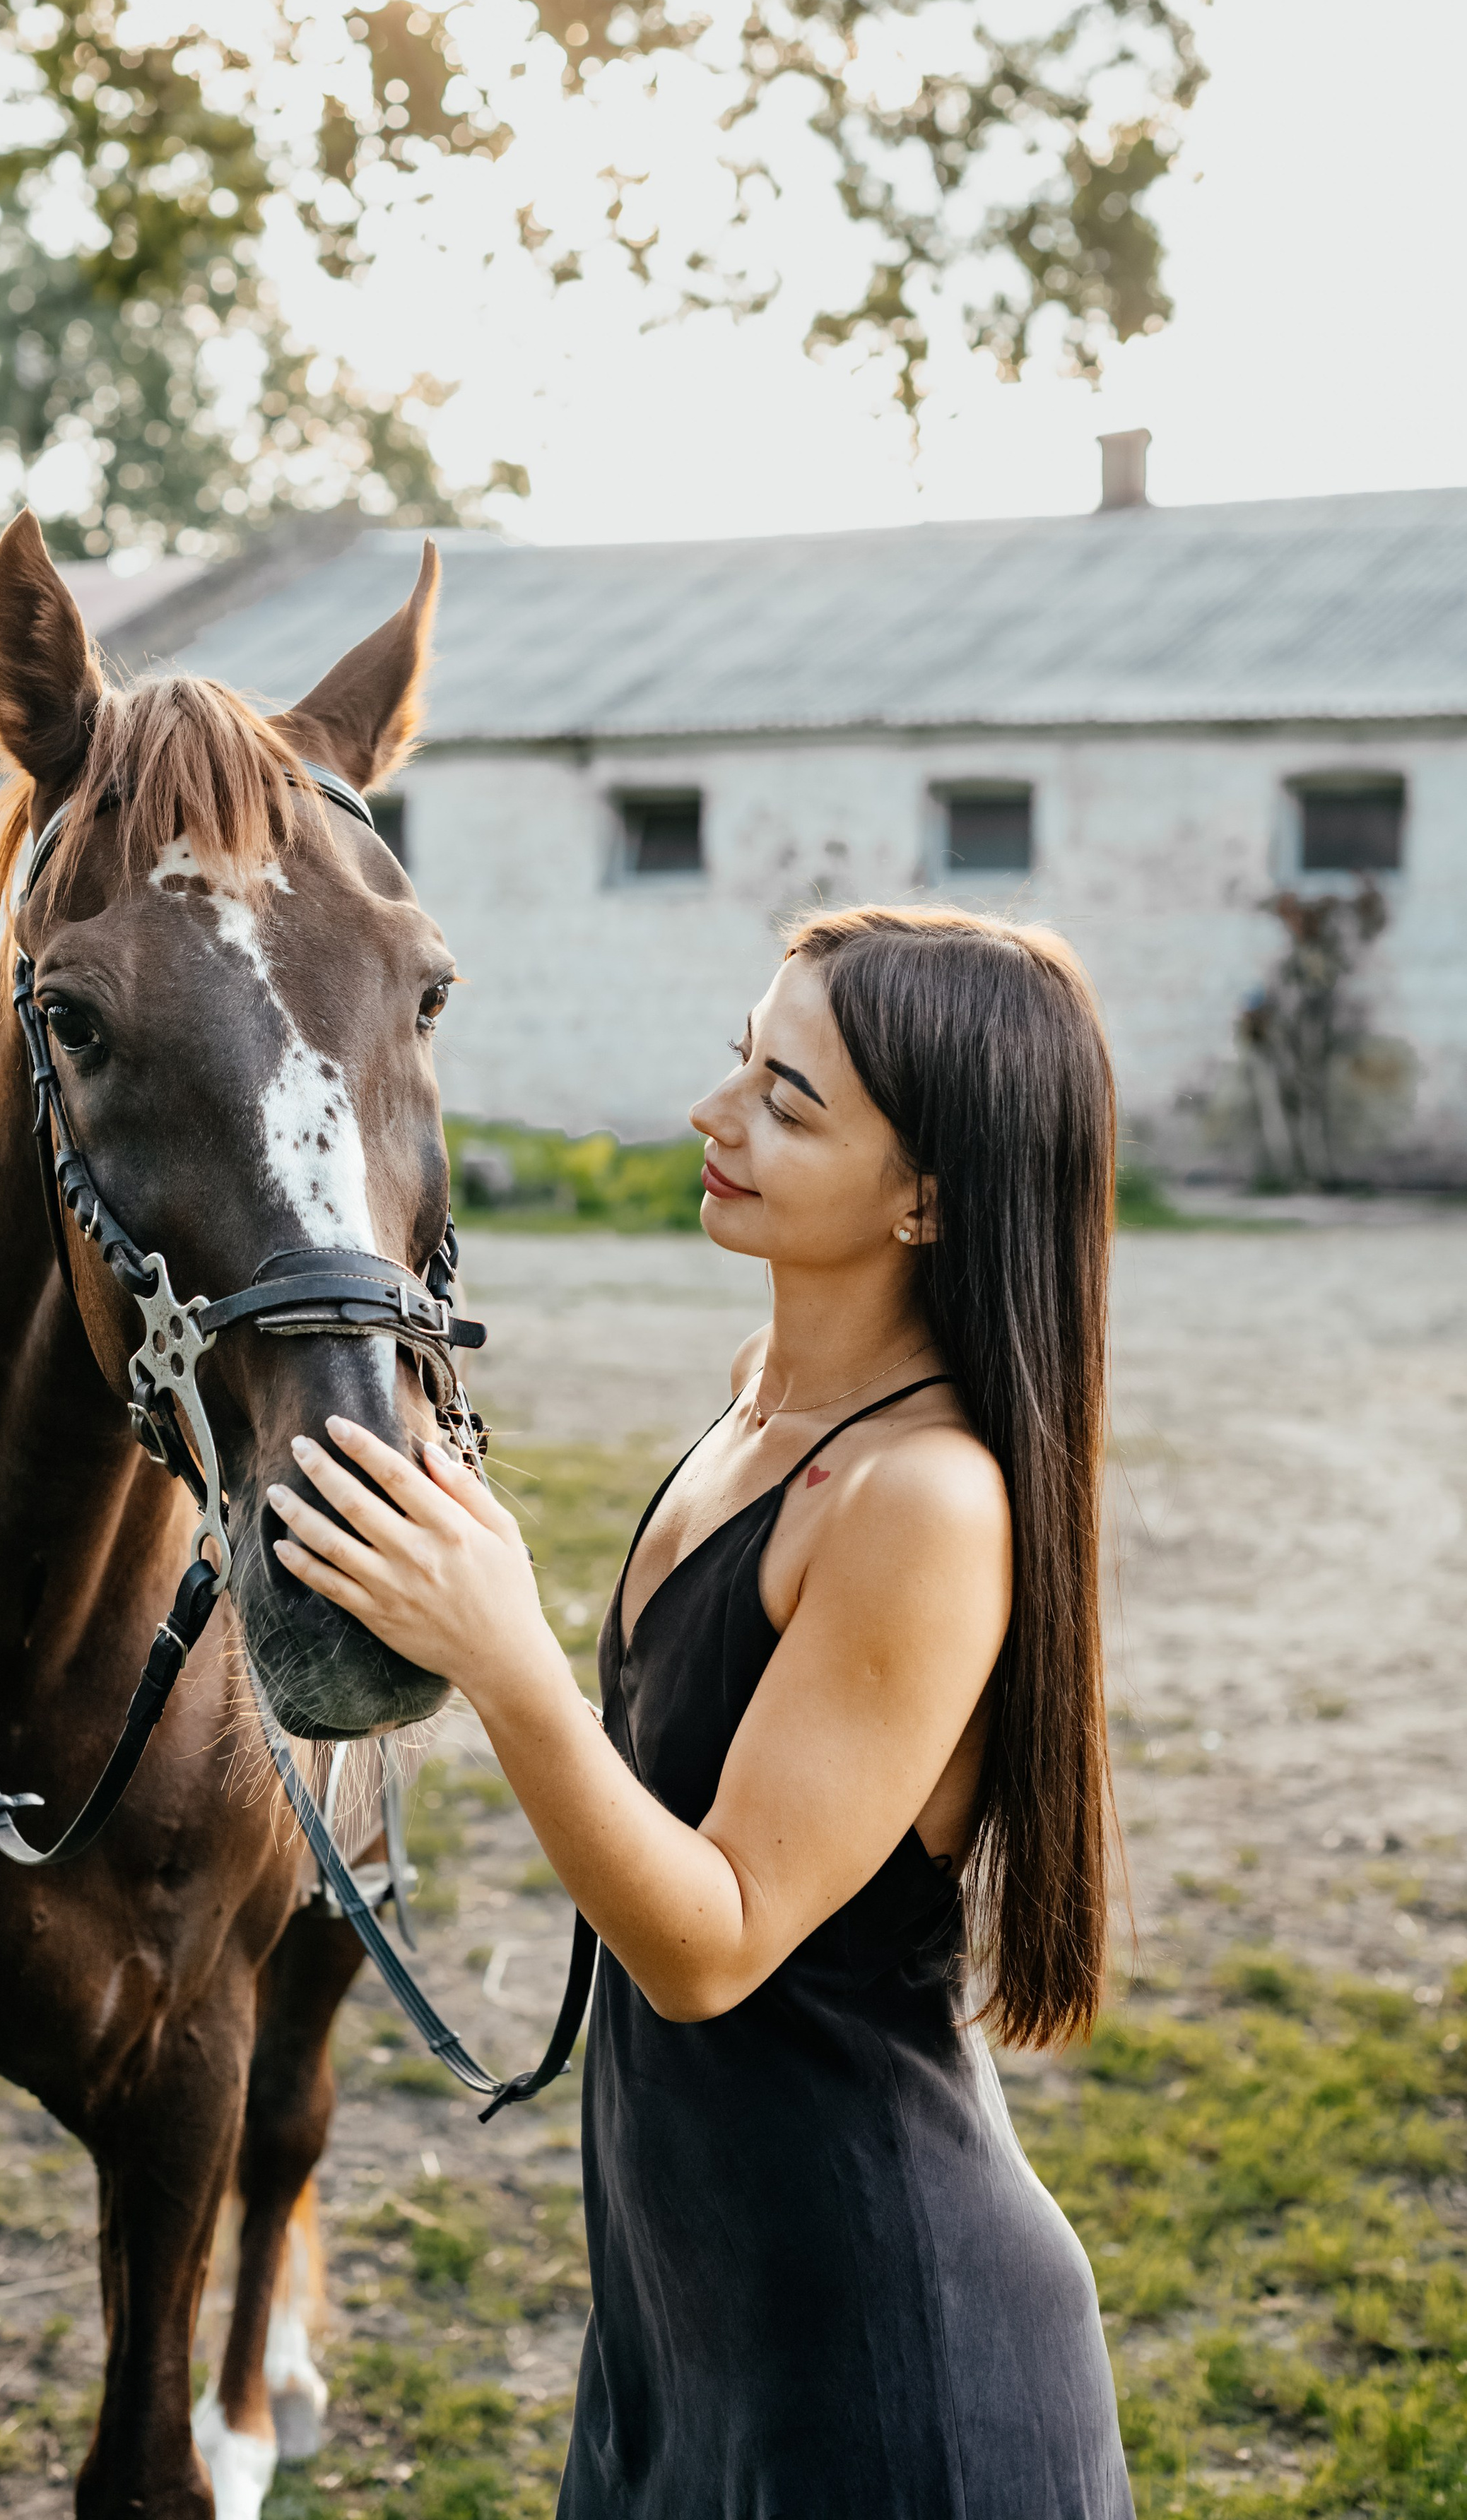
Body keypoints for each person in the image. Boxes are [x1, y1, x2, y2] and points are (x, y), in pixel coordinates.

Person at [267, 902, 1133, 2520]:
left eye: (787, 1101)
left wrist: (505, 1652)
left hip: (889, 2364)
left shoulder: (922, 1499)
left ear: (926, 1195)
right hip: (687, 2327)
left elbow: (711, 1940)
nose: (712, 1114)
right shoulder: (763, 1394)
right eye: (740, 1060)